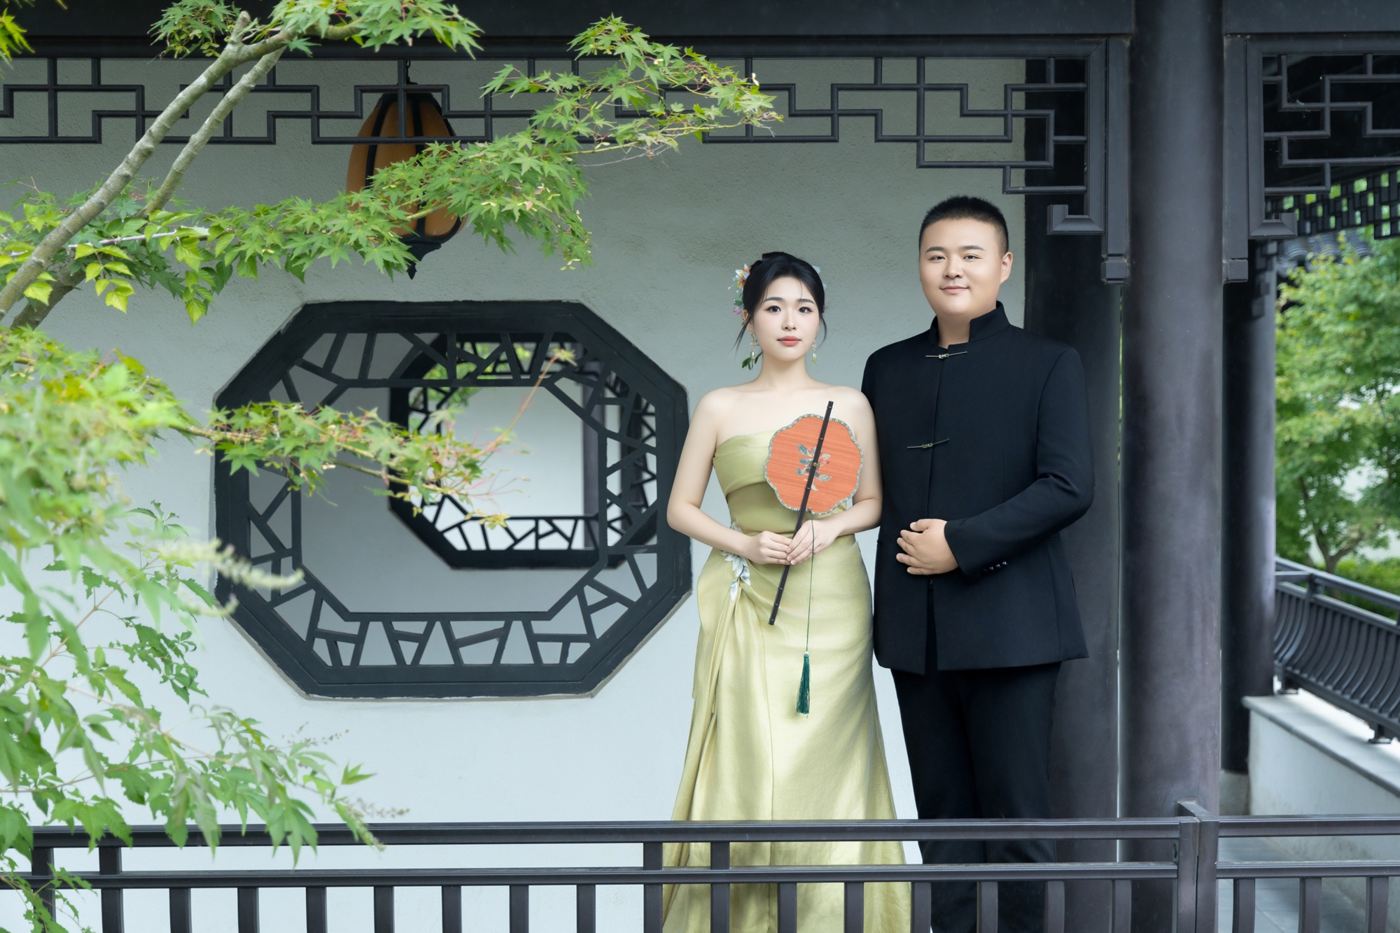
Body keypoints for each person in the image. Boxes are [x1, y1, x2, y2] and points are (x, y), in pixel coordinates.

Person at [861, 197, 1094, 933]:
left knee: (1017, 824)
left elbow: (1069, 485)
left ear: (1004, 265)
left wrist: (961, 543)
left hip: (1013, 627)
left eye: (970, 254)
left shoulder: (1049, 362)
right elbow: (865, 488)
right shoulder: (886, 367)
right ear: (920, 266)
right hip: (917, 632)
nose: (952, 269)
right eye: (936, 255)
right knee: (942, 826)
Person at [662, 251, 909, 932]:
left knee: (832, 751)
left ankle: (838, 914)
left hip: (831, 597)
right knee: (749, 746)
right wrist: (742, 543)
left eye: (804, 308)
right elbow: (681, 508)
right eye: (774, 307)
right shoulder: (719, 405)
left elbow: (873, 502)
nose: (790, 320)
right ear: (749, 318)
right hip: (750, 590)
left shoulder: (850, 403)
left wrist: (830, 528)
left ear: (819, 320)